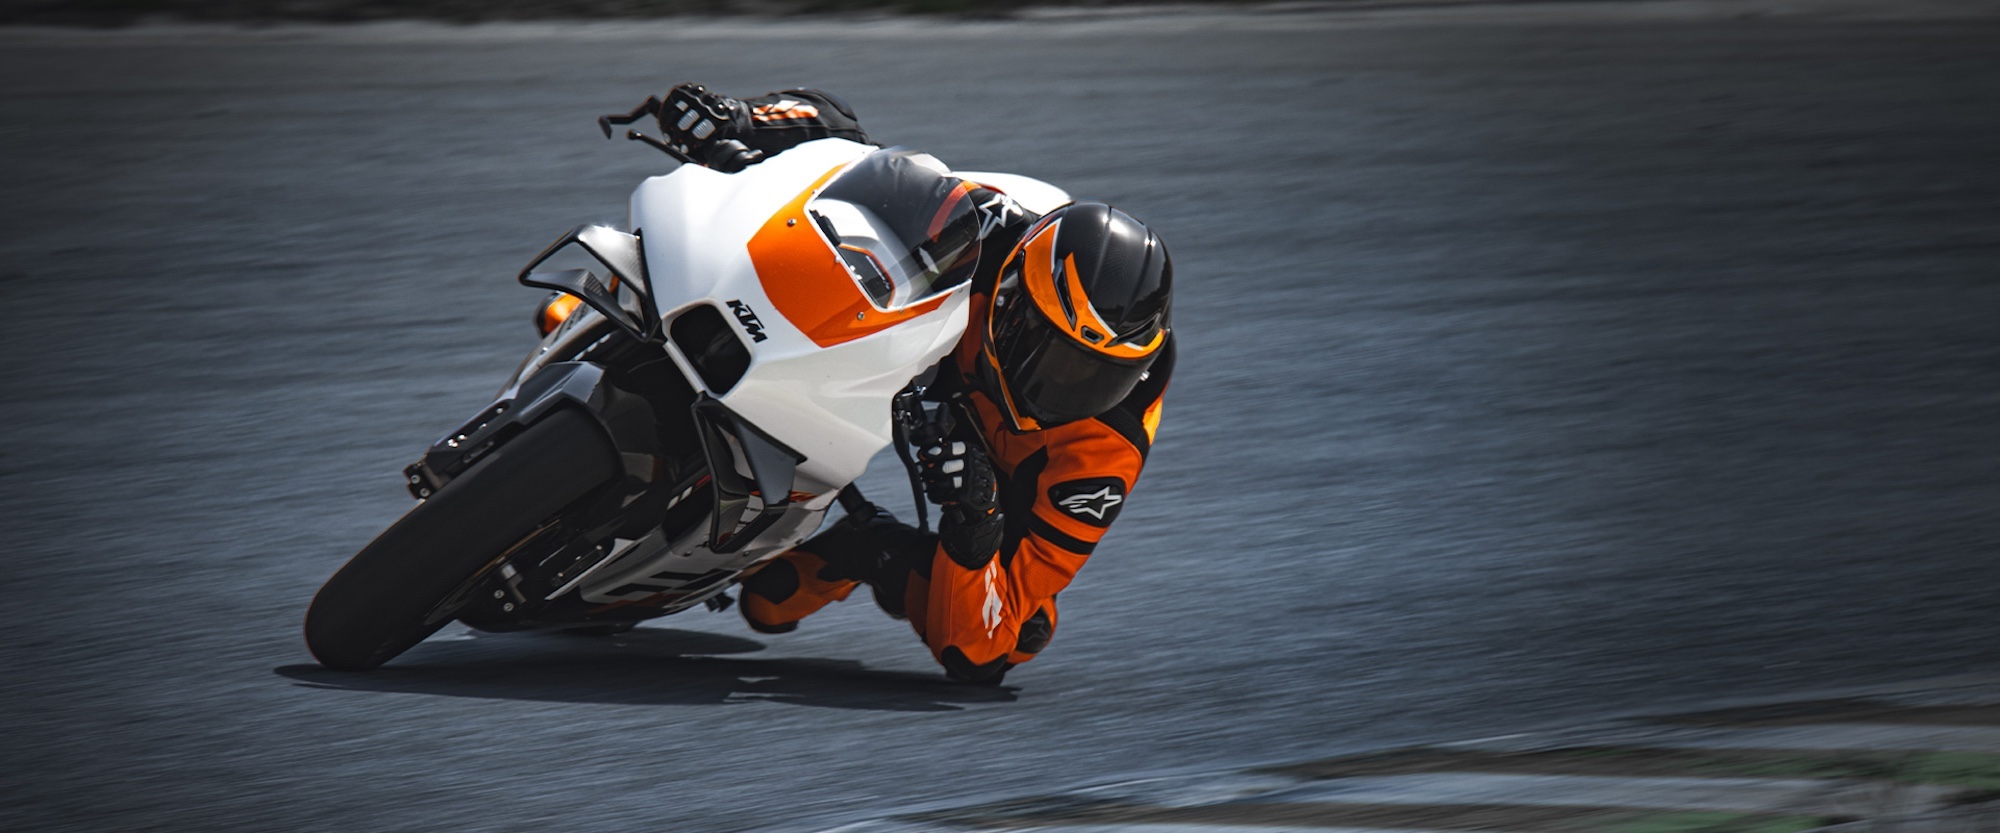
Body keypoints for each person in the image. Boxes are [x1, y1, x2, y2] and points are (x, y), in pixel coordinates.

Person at [656, 83, 1175, 685]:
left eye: (1095, 378)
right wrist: (747, 121)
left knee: (1019, 640)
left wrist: (974, 512)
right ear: (1013, 300)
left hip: (992, 467)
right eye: (1059, 362)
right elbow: (845, 145)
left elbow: (982, 645)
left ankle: (864, 547)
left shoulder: (1101, 457)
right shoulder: (991, 230)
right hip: (933, 350)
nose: (1064, 393)